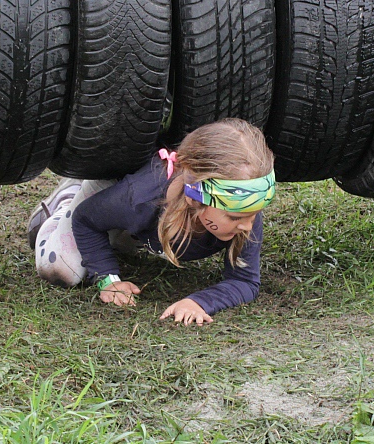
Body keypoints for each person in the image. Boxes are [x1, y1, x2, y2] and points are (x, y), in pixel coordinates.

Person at [28, 118, 275, 326]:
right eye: (235, 217)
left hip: (143, 224)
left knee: (121, 245)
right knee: (62, 270)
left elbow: (244, 281)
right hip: (115, 196)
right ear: (195, 199)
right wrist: (107, 279)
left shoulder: (243, 204)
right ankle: (67, 197)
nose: (248, 225)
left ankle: (121, 232)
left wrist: (199, 302)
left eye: (254, 213)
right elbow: (85, 220)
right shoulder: (138, 199)